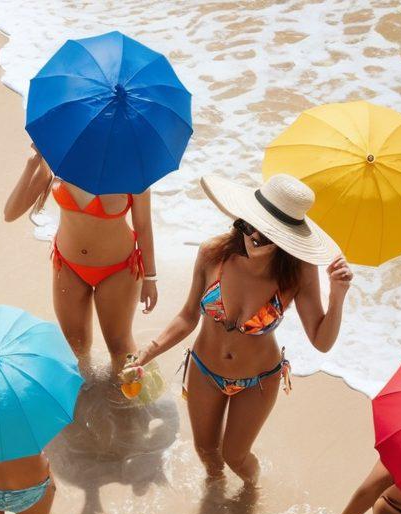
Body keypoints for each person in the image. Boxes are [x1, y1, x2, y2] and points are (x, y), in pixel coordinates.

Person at [122, 173, 353, 484]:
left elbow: (322, 342)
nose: (252, 236)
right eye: (247, 226)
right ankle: (217, 501)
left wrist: (337, 295)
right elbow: (188, 316)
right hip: (205, 370)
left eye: (265, 235)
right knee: (206, 452)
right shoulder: (212, 253)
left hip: (258, 380)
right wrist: (145, 354)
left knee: (236, 457)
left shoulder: (298, 271)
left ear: (285, 238)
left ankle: (251, 489)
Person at [4, 146, 158, 376]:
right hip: (67, 265)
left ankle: (133, 410)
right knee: (75, 350)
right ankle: (85, 404)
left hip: (118, 270)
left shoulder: (133, 171)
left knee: (120, 349)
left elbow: (143, 227)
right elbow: (10, 213)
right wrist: (34, 161)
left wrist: (150, 278)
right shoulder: (60, 159)